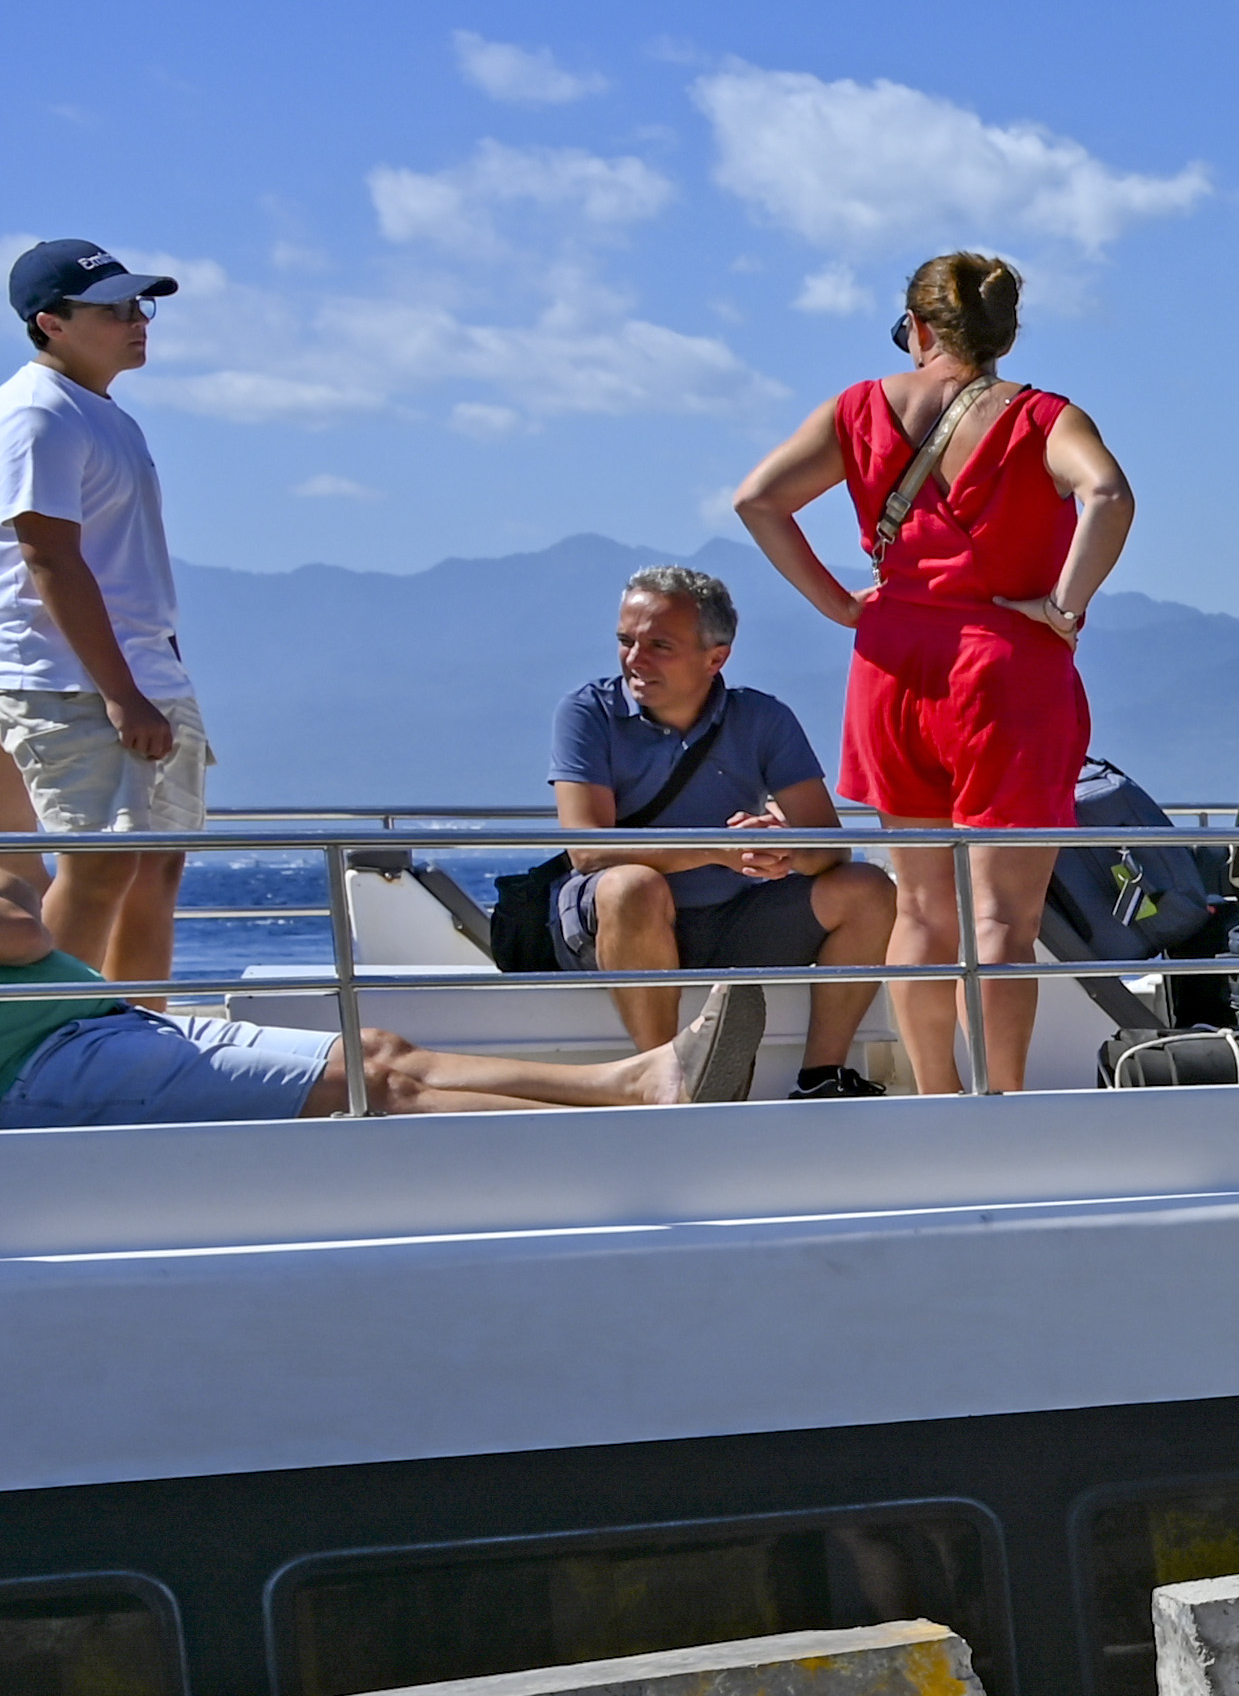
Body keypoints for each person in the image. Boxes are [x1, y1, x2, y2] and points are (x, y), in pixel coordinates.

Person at [727, 251, 1136, 1096]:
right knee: (1001, 920)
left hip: (891, 668)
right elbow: (1108, 495)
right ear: (1005, 336)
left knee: (920, 909)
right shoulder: (1043, 418)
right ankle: (1002, 1105)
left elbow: (757, 500)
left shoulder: (857, 408)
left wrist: (839, 604)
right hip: (1004, 673)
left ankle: (936, 1100)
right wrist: (1063, 607)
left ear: (916, 327)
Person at [2, 748, 734, 1120]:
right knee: (375, 1085)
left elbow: (22, 891)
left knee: (381, 1049)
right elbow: (25, 927)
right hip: (34, 1067)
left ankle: (637, 1082)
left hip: (96, 1026)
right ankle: (632, 1138)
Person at [550, 566, 897, 1089]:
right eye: (626, 641)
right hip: (619, 924)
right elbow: (589, 851)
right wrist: (719, 849)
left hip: (731, 916)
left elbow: (830, 847)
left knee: (868, 888)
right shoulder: (586, 712)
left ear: (716, 658)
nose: (634, 660)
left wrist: (781, 849)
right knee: (632, 886)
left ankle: (822, 1076)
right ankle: (664, 1079)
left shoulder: (763, 718)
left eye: (658, 645)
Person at [1, 242, 198, 983]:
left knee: (154, 868)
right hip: (72, 681)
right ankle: (45, 1035)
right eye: (113, 309)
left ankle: (139, 1027)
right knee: (101, 862)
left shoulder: (106, 416)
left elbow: (126, 564)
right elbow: (48, 556)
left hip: (140, 676)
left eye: (138, 305)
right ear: (51, 323)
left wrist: (163, 673)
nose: (136, 320)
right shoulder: (38, 413)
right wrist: (122, 692)